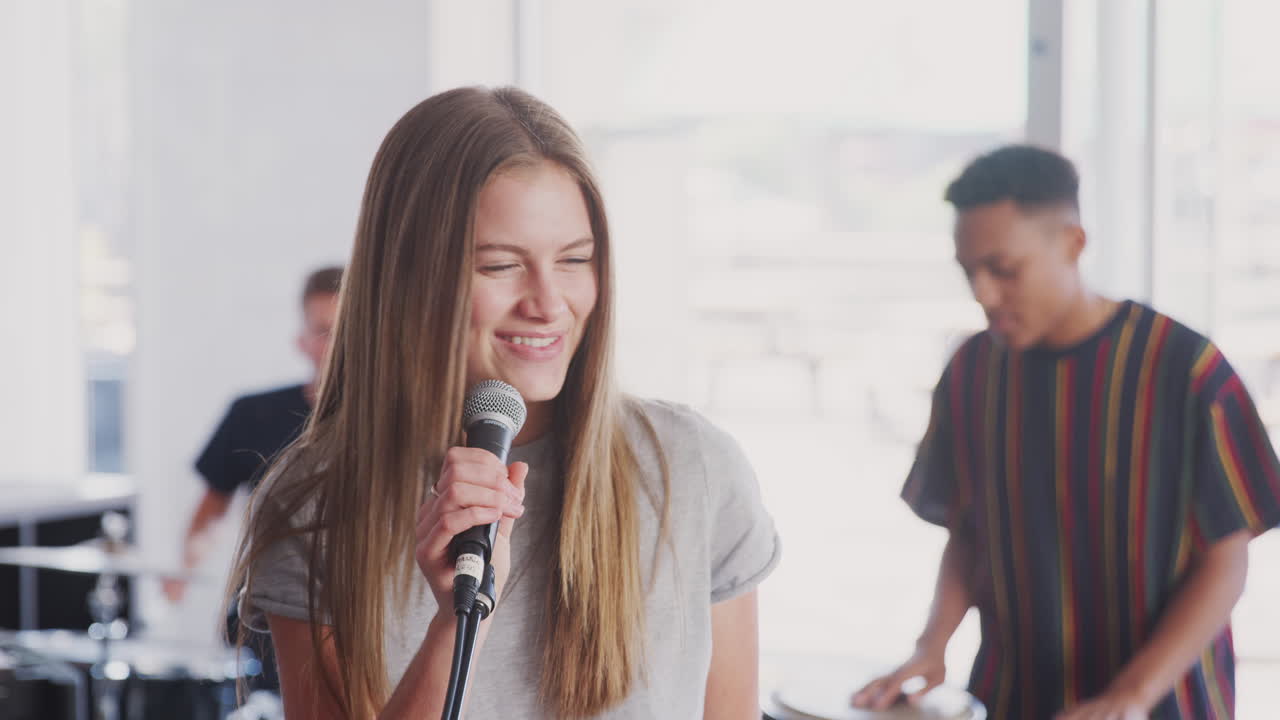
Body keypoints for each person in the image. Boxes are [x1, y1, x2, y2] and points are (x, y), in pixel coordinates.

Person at [226, 86, 781, 719]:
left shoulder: (693, 468)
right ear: (409, 275)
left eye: (575, 259)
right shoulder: (316, 501)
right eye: (500, 266)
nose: (548, 302)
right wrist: (455, 621)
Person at [853, 145, 1280, 720]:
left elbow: (1227, 556)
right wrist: (931, 647)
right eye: (969, 271)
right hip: (1009, 698)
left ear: (1073, 243)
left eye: (1004, 269)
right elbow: (968, 532)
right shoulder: (971, 371)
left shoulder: (1184, 369)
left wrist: (1128, 696)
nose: (983, 293)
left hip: (1166, 704)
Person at [165, 265, 342, 604]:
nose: (335, 345)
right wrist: (185, 571)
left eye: (345, 330)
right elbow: (211, 510)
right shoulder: (252, 414)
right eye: (323, 331)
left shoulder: (392, 422)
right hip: (265, 608)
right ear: (301, 341)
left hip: (356, 605)